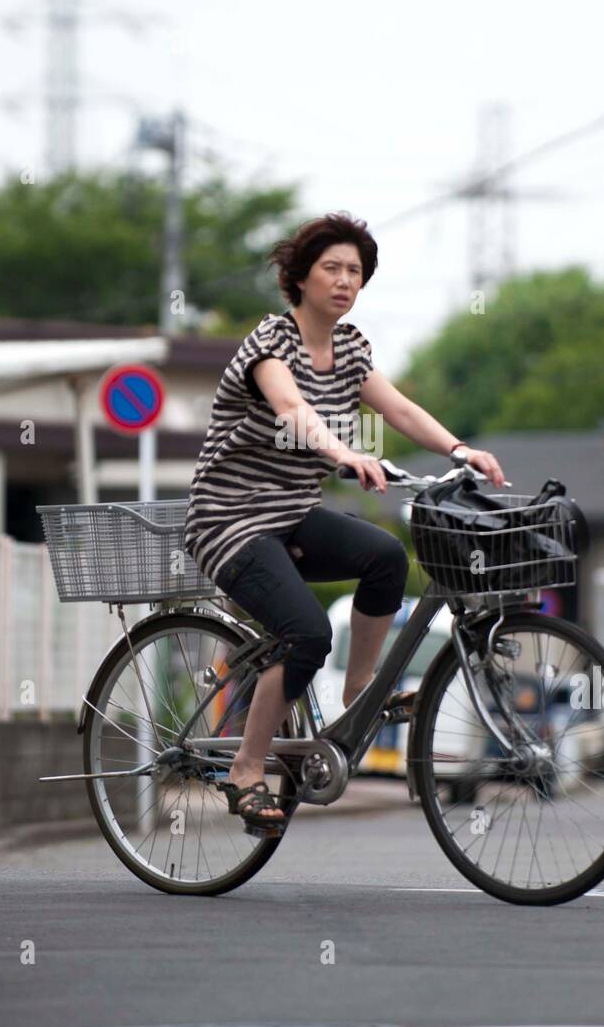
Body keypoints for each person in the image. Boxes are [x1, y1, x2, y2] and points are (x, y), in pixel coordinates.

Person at [182, 212, 505, 829]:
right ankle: (247, 769)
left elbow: (402, 409)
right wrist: (344, 453)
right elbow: (291, 407)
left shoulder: (353, 348)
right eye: (331, 267)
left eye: (355, 271)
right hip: (230, 523)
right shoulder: (270, 341)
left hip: (293, 514)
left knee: (385, 557)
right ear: (299, 278)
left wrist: (460, 450)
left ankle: (360, 696)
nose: (344, 280)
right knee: (307, 633)